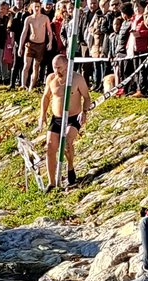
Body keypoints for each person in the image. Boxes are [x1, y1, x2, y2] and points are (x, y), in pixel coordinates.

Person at [38, 54, 91, 191]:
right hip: (57, 118)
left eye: (59, 68)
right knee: (50, 147)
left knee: (66, 142)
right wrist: (42, 114)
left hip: (73, 118)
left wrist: (84, 112)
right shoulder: (51, 78)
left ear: (67, 65)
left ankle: (70, 166)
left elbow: (86, 97)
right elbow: (46, 97)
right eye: (54, 68)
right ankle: (52, 182)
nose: (57, 71)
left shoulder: (77, 79)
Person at [19, 0, 53, 91]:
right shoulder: (29, 19)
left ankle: (31, 86)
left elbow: (49, 32)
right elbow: (24, 33)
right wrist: (20, 47)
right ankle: (23, 85)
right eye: (35, 7)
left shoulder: (45, 18)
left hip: (40, 45)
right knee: (26, 65)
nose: (37, 8)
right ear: (32, 8)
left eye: (38, 6)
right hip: (30, 44)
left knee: (36, 66)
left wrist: (50, 42)